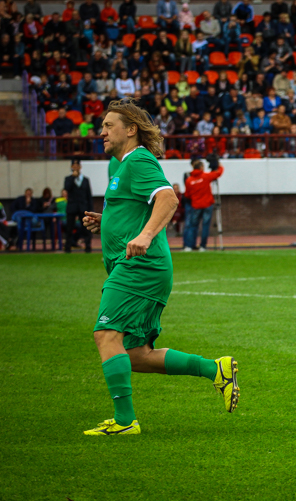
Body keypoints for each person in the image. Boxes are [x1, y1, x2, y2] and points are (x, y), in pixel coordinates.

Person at [81, 100, 239, 436]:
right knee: (135, 354)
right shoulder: (119, 164)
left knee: (105, 334)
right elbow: (135, 208)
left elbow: (168, 198)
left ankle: (125, 422)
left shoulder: (138, 160)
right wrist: (106, 221)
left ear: (131, 129)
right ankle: (216, 369)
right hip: (138, 267)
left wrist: (146, 235)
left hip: (139, 267)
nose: (102, 132)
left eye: (109, 125)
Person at [183, 158, 224, 251]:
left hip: (195, 205)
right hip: (207, 204)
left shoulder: (189, 180)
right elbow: (218, 173)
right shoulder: (205, 176)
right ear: (201, 167)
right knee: (205, 226)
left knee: (193, 226)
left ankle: (189, 245)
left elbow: (187, 194)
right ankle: (202, 246)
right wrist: (219, 165)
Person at [64, 159, 93, 253]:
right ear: (71, 167)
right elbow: (67, 188)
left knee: (86, 228)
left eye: (77, 166)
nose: (76, 168)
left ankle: (88, 246)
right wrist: (73, 177)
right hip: (72, 207)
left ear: (80, 167)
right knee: (69, 228)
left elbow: (88, 195)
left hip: (83, 207)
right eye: (74, 166)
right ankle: (68, 247)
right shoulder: (68, 179)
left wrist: (90, 209)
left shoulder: (85, 180)